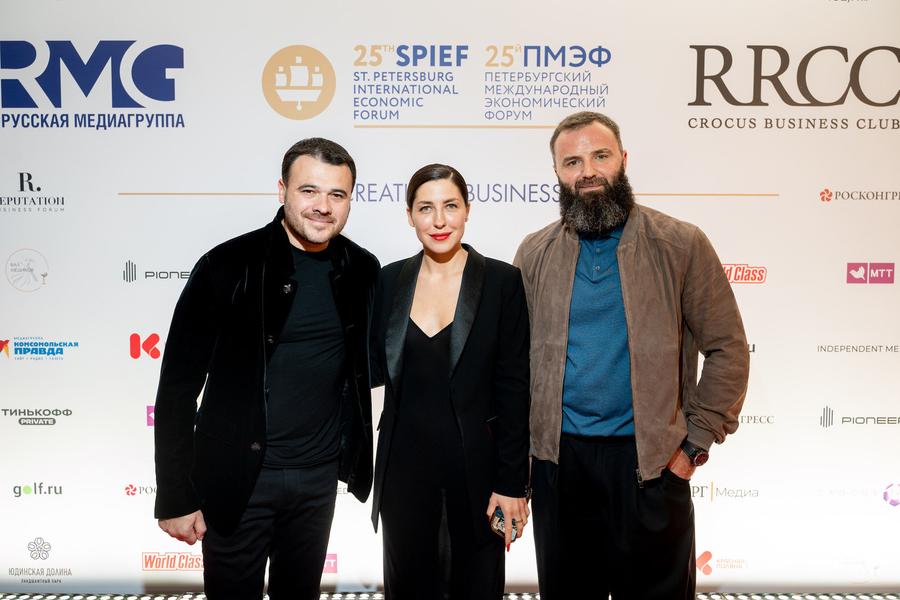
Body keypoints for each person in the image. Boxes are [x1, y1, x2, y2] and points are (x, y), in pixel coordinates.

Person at [514, 112, 750, 599]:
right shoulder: (534, 253)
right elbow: (511, 365)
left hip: (652, 469)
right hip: (561, 467)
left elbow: (727, 348)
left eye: (600, 156)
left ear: (623, 159)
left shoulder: (680, 244)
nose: (588, 172)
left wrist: (692, 448)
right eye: (572, 162)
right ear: (557, 173)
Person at [153, 138, 380, 600]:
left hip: (317, 480)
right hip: (237, 479)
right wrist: (175, 494)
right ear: (282, 190)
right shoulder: (226, 265)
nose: (323, 206)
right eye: (309, 190)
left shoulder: (361, 269)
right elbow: (176, 389)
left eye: (337, 194)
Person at [370, 163, 530, 599]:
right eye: (426, 208)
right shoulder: (388, 281)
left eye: (450, 206)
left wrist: (512, 483)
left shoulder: (502, 282)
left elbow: (515, 388)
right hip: (403, 475)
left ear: (468, 210)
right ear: (409, 215)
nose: (439, 220)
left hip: (478, 475)